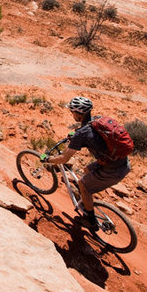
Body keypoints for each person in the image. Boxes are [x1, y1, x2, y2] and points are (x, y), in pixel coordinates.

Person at [41, 96, 131, 230]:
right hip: (122, 163)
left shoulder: (81, 134)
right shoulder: (97, 120)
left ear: (78, 113)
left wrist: (48, 160)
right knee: (86, 170)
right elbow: (93, 137)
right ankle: (85, 199)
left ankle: (90, 220)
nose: (72, 114)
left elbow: (64, 159)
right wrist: (76, 135)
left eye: (72, 112)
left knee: (83, 185)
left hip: (111, 170)